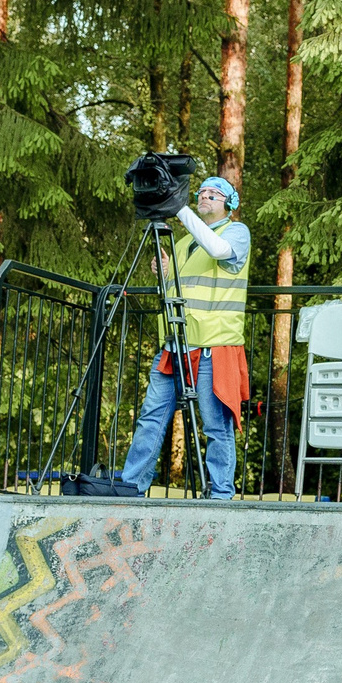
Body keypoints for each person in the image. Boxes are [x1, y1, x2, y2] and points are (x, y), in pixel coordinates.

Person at [119, 175, 252, 498]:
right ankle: (132, 486)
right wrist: (164, 272)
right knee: (151, 418)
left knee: (215, 425)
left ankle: (220, 494)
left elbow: (218, 250)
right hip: (175, 345)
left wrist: (179, 209)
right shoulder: (183, 243)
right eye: (201, 192)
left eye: (214, 194)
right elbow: (178, 290)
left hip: (213, 345)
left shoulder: (236, 232)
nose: (204, 196)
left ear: (229, 204)